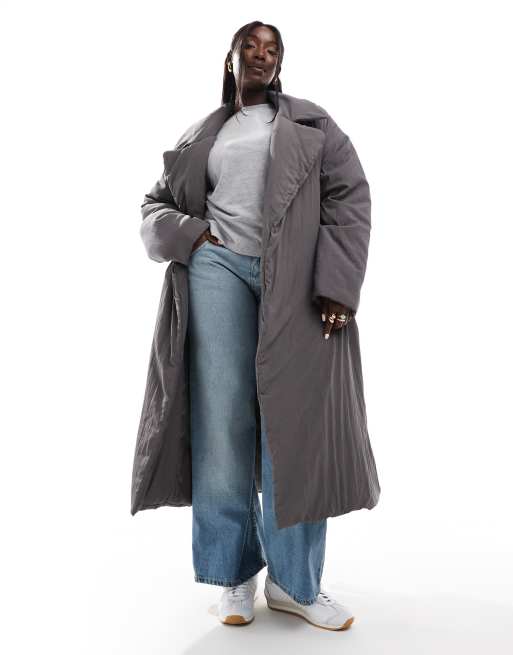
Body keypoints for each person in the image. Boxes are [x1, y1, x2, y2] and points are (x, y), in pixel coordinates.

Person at [134, 19, 379, 631]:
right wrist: (194, 235)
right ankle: (233, 574)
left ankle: (296, 583)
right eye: (251, 46)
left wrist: (336, 287)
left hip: (291, 277)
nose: (262, 56)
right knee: (222, 419)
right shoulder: (203, 133)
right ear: (232, 58)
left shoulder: (313, 124)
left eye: (272, 50)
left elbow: (350, 199)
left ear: (280, 64)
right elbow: (153, 206)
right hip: (216, 268)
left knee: (293, 424)